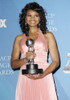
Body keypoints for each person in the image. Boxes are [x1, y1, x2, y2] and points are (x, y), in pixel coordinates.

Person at [11, 2, 60, 100]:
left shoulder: (48, 36)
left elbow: (56, 62)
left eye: (36, 15)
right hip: (26, 77)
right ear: (24, 18)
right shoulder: (19, 39)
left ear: (40, 18)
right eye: (29, 15)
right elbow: (13, 64)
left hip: (44, 75)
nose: (32, 18)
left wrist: (43, 74)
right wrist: (25, 59)